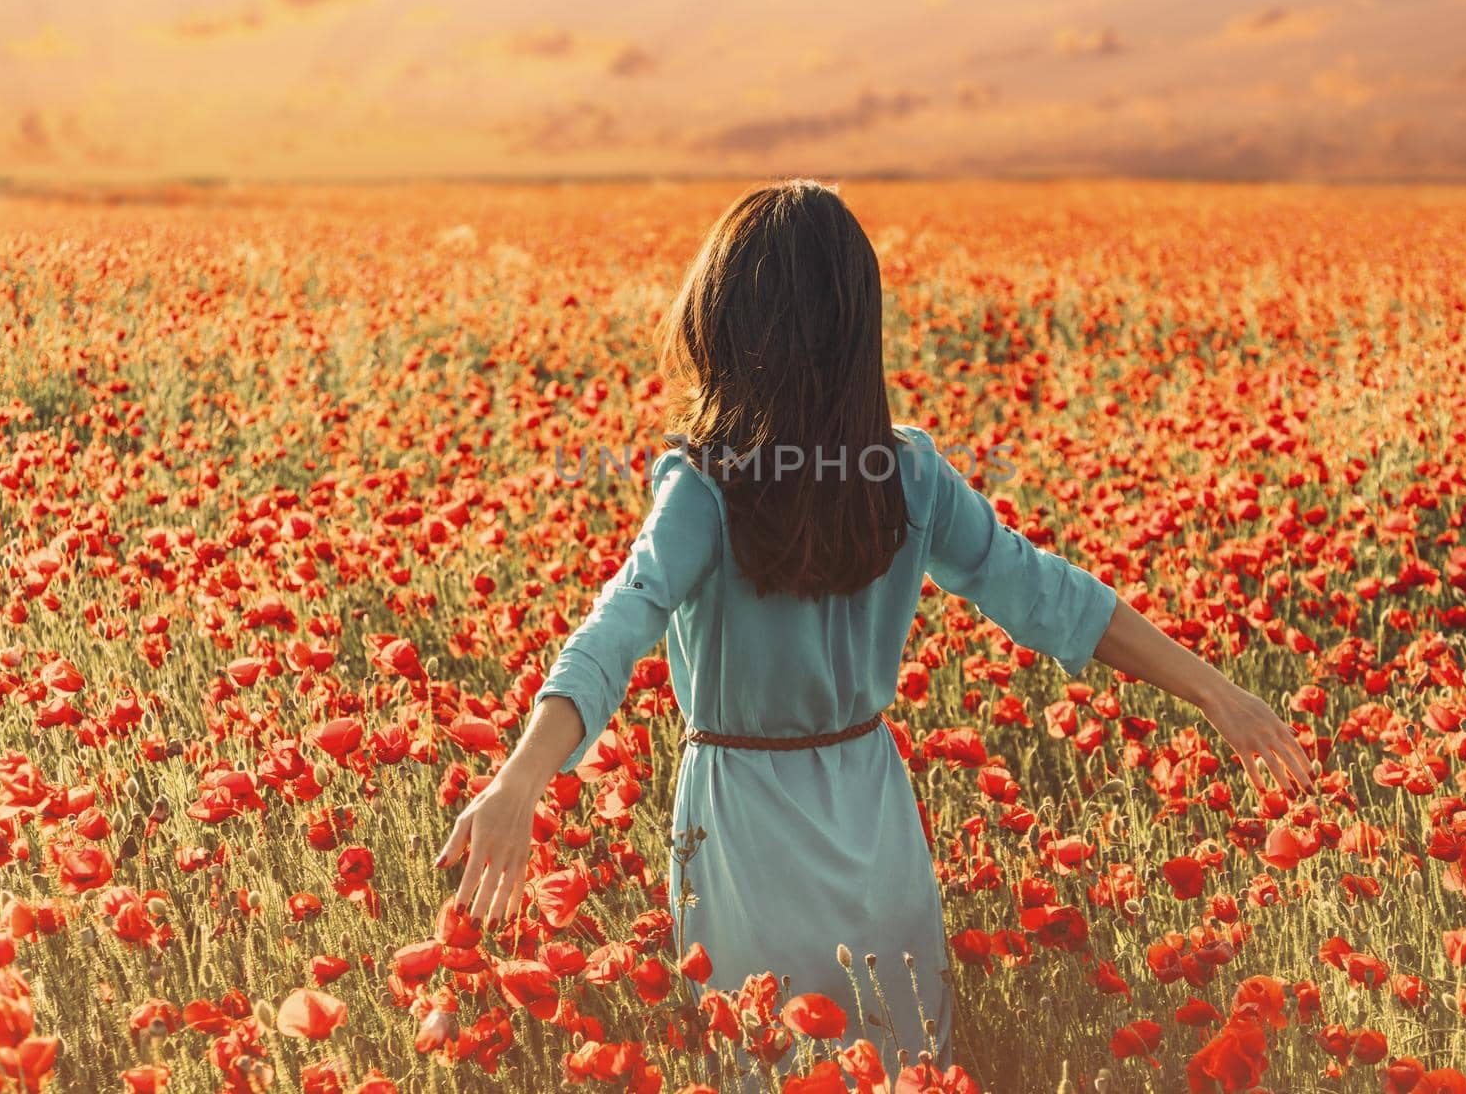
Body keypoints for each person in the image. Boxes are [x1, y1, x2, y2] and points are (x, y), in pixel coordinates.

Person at [435, 178, 1317, 1087]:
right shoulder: (906, 474)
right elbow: (1053, 598)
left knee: (771, 1062)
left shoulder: (704, 486)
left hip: (747, 830)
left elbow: (616, 627)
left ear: (728, 321)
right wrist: (1219, 692)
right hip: (873, 818)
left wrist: (520, 779)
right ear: (856, 331)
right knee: (900, 1067)